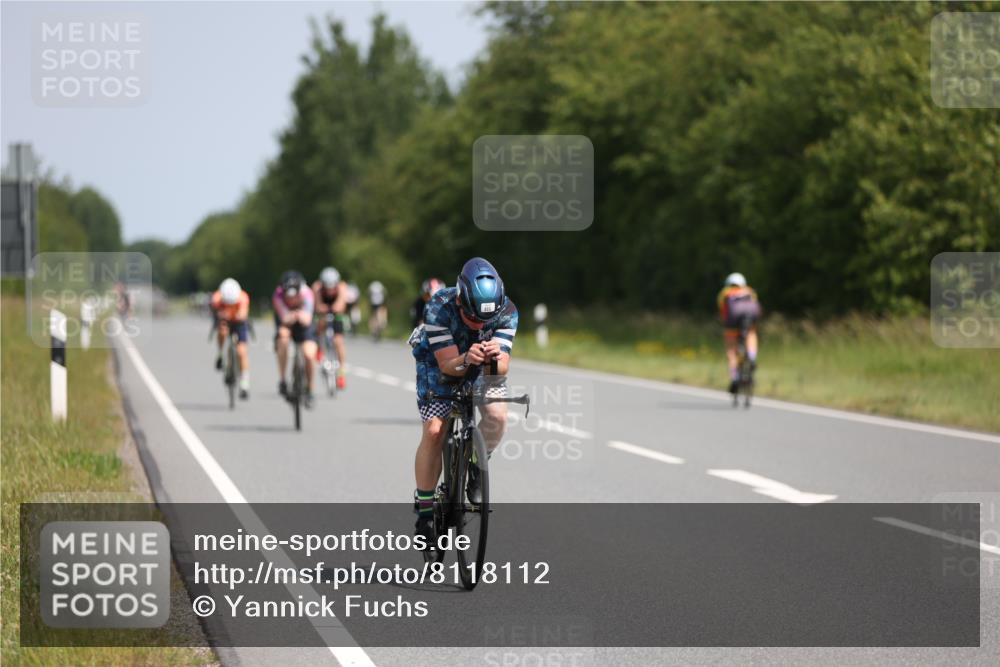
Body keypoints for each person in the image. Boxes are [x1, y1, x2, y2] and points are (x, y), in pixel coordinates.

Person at [410, 258, 517, 542]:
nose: (479, 324)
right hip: (438, 363)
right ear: (460, 300)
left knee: (498, 416)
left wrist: (494, 358)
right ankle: (424, 510)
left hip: (482, 365)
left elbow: (502, 367)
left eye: (485, 320)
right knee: (434, 430)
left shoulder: (506, 311)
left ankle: (475, 461)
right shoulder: (438, 307)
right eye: (472, 318)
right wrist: (466, 358)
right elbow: (447, 365)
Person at [272, 270, 318, 408]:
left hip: (304, 324)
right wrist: (296, 314)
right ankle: (282, 379)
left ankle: (310, 389)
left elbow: (307, 319)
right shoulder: (278, 295)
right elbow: (285, 318)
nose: (291, 299)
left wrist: (297, 315)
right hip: (286, 322)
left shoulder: (307, 293)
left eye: (294, 296)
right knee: (283, 339)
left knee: (309, 355)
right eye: (288, 296)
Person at [717, 272, 761, 394]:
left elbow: (723, 312)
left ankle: (735, 377)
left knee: (731, 350)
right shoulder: (750, 291)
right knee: (751, 334)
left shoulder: (725, 293)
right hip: (748, 322)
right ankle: (752, 357)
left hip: (731, 325)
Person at [210, 278, 251, 399]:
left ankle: (244, 383)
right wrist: (221, 315)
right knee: (222, 332)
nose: (230, 305)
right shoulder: (216, 298)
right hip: (224, 320)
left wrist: (237, 315)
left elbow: (243, 314)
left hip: (239, 322)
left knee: (241, 352)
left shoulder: (243, 297)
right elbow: (215, 314)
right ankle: (221, 354)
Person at [312, 266, 348, 390]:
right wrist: (323, 309)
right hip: (323, 313)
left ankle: (341, 373)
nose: (330, 291)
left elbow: (341, 305)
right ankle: (319, 347)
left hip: (337, 314)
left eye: (332, 288)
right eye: (327, 288)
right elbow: (317, 306)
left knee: (338, 341)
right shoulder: (317, 287)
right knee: (320, 324)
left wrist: (335, 308)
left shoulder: (342, 287)